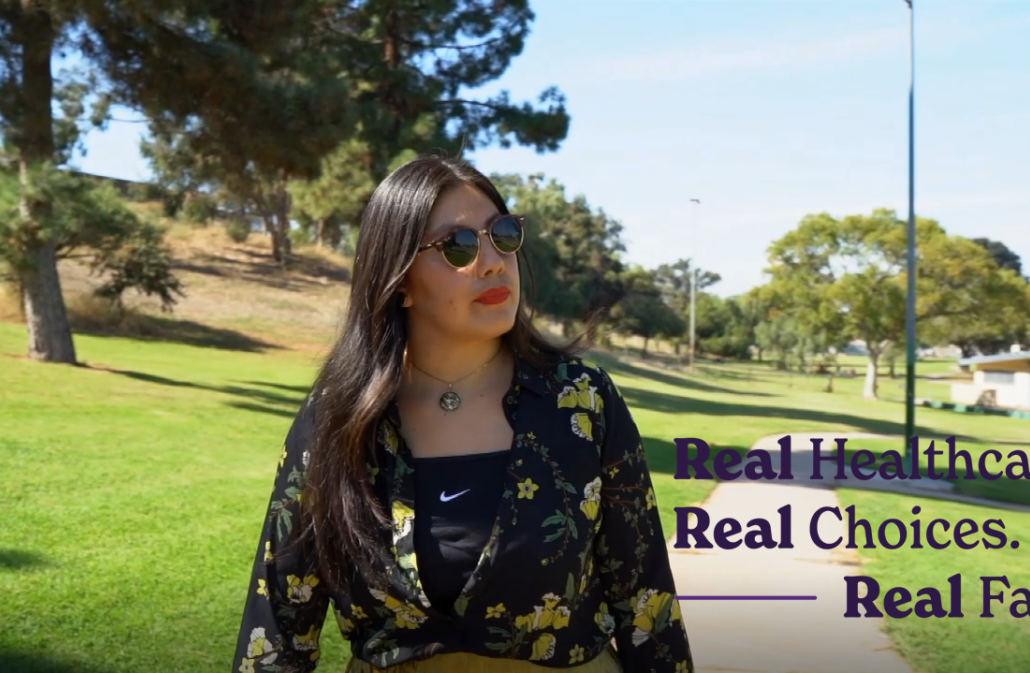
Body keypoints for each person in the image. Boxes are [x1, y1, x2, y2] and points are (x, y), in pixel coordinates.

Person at [231, 156, 694, 673]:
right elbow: (277, 631)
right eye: (459, 246)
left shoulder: (582, 403)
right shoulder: (338, 420)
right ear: (398, 279)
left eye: (503, 234)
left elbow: (646, 603)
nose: (493, 261)